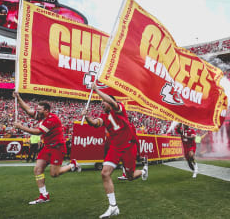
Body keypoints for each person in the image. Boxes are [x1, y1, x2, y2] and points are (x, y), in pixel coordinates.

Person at [82, 83, 148, 218]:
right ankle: (113, 207)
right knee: (105, 173)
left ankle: (142, 171)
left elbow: (112, 102)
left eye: (103, 102)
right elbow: (95, 124)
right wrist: (87, 117)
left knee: (130, 177)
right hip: (115, 147)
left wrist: (96, 90)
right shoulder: (104, 116)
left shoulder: (119, 108)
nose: (102, 104)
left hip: (128, 146)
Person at [12, 91, 81, 205]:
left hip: (57, 147)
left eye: (39, 109)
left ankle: (72, 164)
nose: (37, 111)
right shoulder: (42, 116)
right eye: (37, 109)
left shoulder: (52, 119)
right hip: (48, 147)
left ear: (46, 111)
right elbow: (28, 110)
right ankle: (44, 195)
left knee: (54, 174)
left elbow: (38, 132)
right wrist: (18, 98)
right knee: (37, 169)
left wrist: (21, 127)